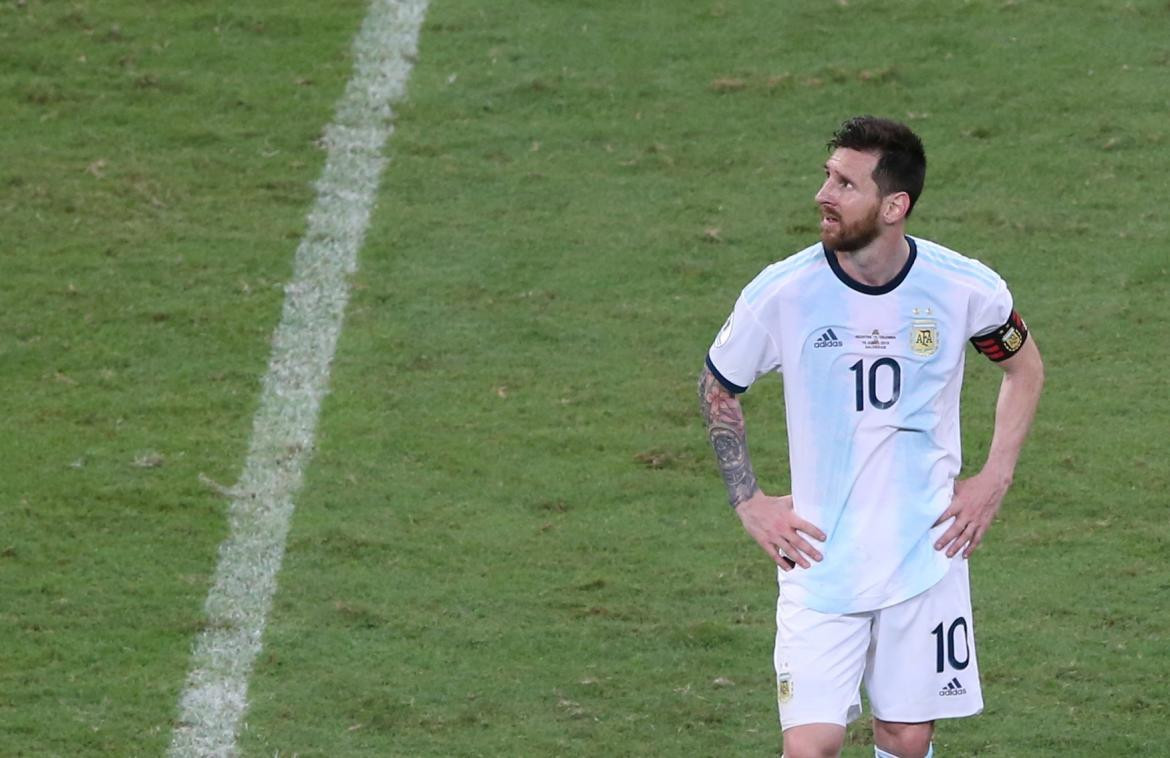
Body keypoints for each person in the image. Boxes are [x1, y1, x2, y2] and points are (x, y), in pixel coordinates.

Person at [698, 116, 1044, 758]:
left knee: (906, 739)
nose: (823, 194)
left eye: (845, 183)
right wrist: (749, 501)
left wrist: (995, 476)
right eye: (827, 176)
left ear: (894, 204)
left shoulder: (964, 288)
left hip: (926, 552)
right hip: (820, 559)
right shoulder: (783, 292)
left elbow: (1024, 368)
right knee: (812, 747)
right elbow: (719, 386)